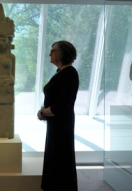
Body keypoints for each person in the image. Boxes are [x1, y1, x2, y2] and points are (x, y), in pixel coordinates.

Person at [37, 40, 79, 191]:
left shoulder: (69, 73)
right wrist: (45, 112)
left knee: (60, 157)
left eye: (53, 50)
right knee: (55, 156)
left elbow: (63, 105)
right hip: (57, 123)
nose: (50, 53)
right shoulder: (61, 72)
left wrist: (43, 112)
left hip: (62, 124)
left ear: (62, 53)